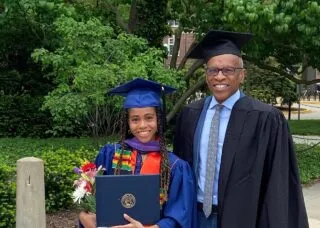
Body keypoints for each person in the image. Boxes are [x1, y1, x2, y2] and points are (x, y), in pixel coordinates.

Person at [173, 30, 309, 228]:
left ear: (242, 75)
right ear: (206, 74)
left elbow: (278, 181)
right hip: (194, 216)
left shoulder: (266, 119)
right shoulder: (190, 114)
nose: (219, 76)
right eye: (213, 70)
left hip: (242, 219)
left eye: (228, 70)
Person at [79, 78, 197, 228]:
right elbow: (91, 203)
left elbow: (179, 217)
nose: (142, 125)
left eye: (149, 118)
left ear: (158, 120)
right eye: (135, 119)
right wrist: (84, 216)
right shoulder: (110, 155)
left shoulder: (174, 166)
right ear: (127, 122)